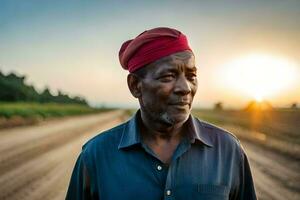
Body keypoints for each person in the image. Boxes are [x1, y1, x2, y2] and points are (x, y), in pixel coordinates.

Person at [66, 27, 257, 200]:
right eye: (168, 76)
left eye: (191, 76)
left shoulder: (228, 150)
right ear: (135, 86)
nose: (185, 88)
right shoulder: (96, 156)